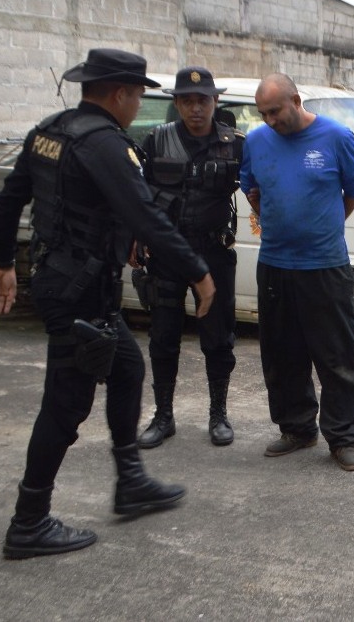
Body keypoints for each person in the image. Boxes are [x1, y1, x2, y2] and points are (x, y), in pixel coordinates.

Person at [0, 48, 216, 559]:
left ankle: (130, 481)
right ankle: (29, 522)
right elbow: (146, 216)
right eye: (138, 96)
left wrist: (2, 262)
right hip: (78, 292)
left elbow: (7, 201)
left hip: (66, 280)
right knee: (64, 407)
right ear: (120, 94)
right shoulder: (106, 145)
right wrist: (199, 273)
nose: (139, 106)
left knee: (128, 369)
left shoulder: (52, 130)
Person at [239, 72, 354, 471]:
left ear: (296, 100)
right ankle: (296, 428)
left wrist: (323, 226)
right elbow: (251, 187)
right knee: (281, 352)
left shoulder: (336, 137)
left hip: (325, 264)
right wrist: (275, 219)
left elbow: (353, 190)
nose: (270, 120)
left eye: (275, 111)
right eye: (263, 114)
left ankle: (343, 436)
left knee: (336, 354)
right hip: (275, 264)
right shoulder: (256, 141)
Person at [134, 66, 243, 449]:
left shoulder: (235, 144)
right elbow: (138, 197)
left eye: (203, 100)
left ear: (216, 102)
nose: (195, 108)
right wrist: (136, 238)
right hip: (167, 254)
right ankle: (163, 416)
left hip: (214, 252)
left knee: (218, 338)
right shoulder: (156, 141)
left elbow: (262, 187)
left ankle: (218, 415)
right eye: (186, 100)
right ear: (177, 103)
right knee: (163, 337)